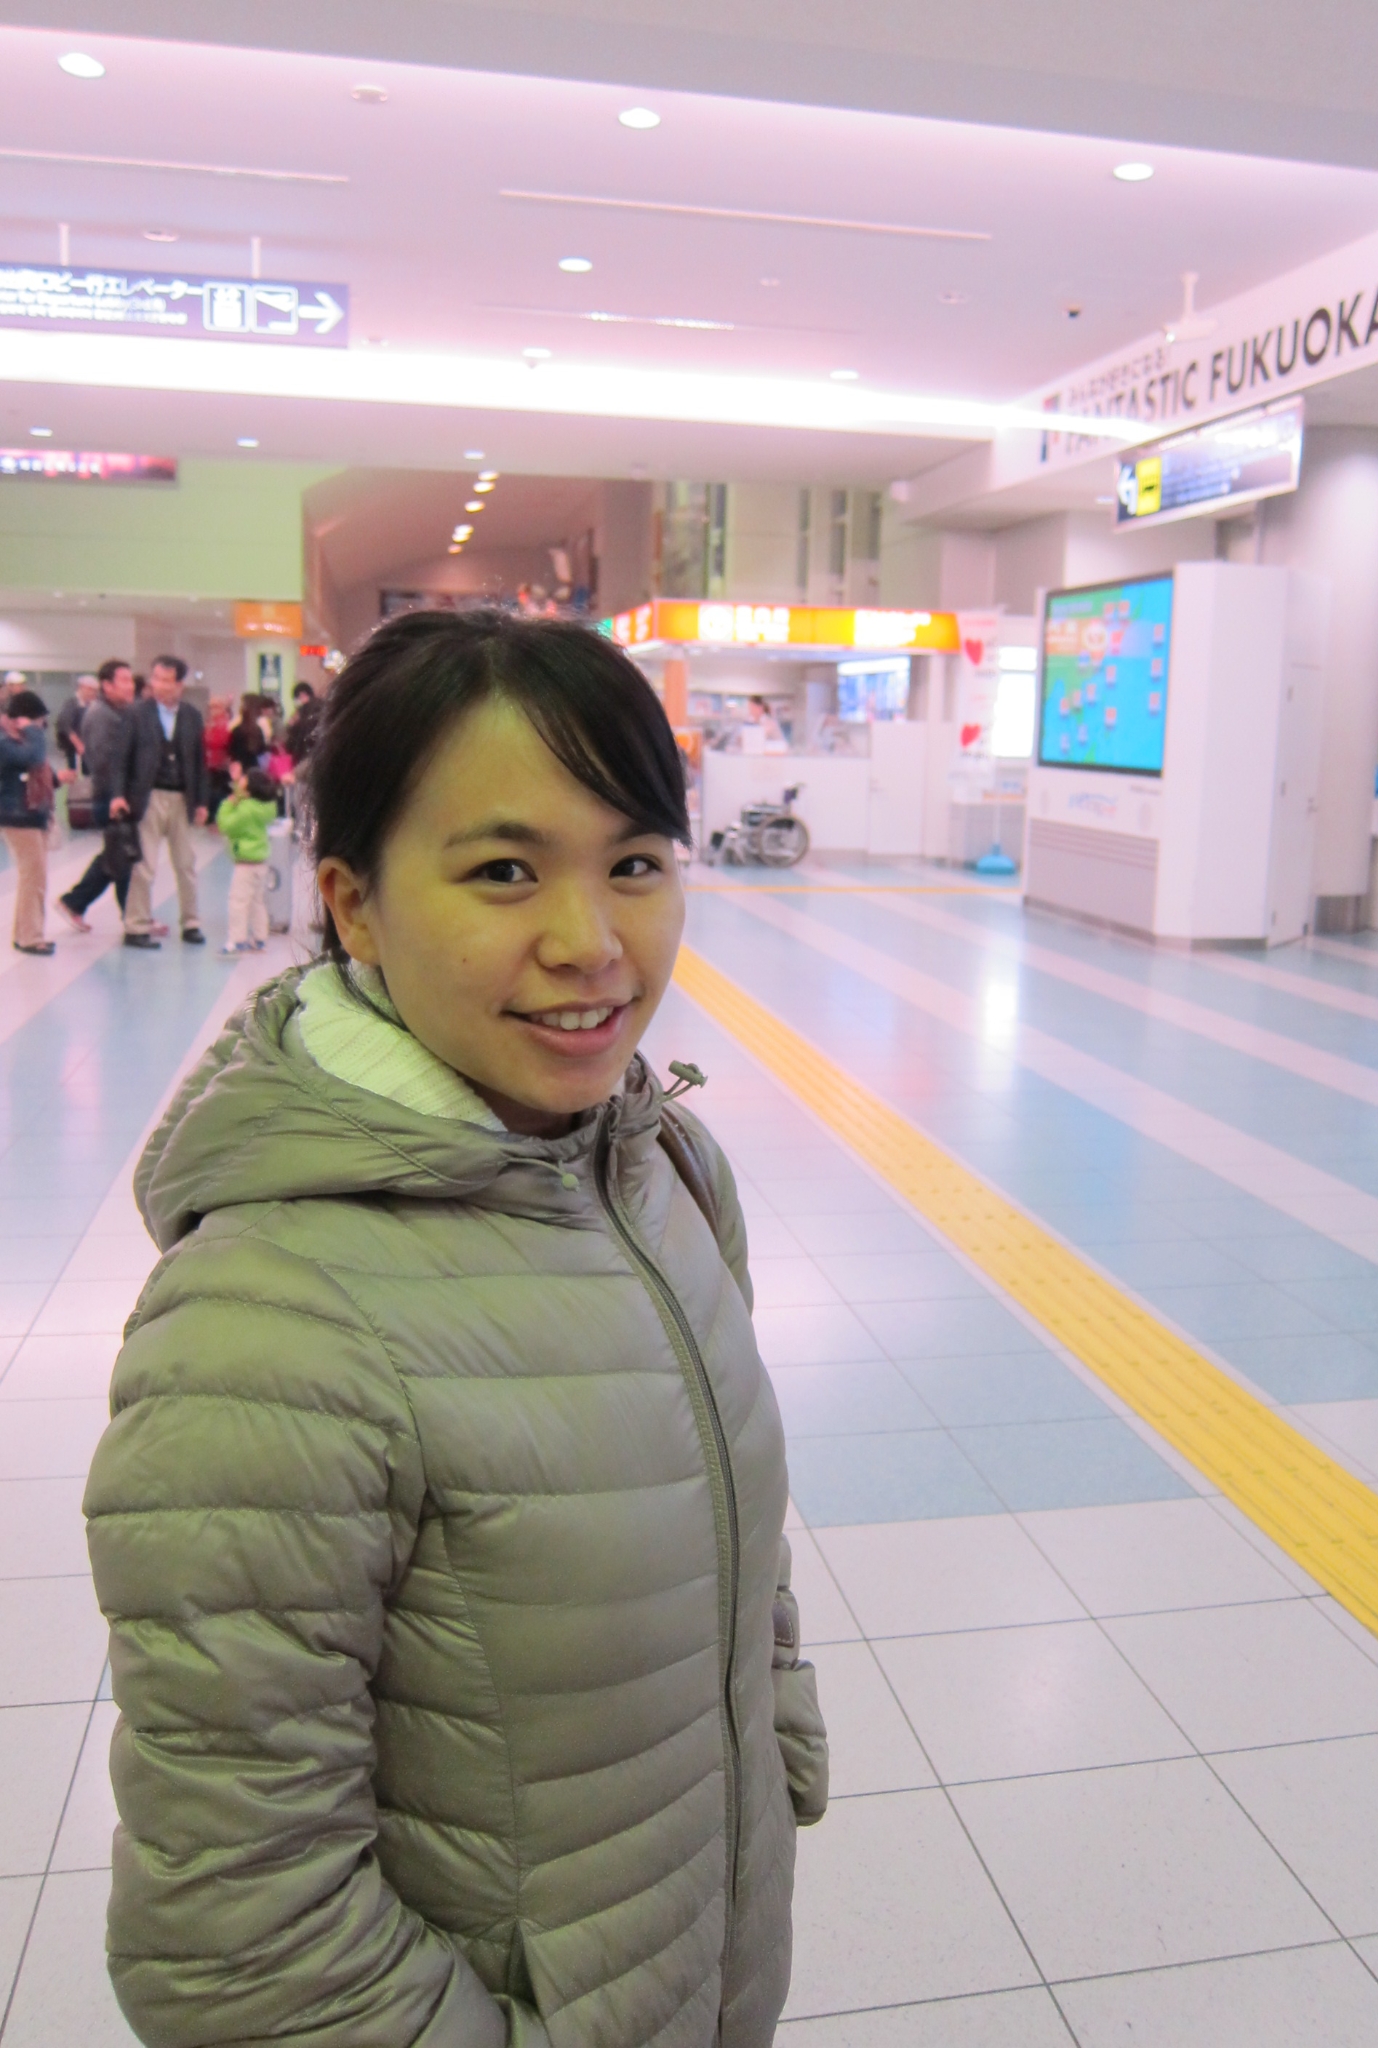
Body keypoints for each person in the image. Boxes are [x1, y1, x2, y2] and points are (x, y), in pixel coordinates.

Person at [84, 608, 827, 2048]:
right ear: (354, 904)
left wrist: (771, 1722)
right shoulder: (266, 1327)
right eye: (502, 871)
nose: (592, 945)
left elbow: (728, 1509)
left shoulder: (656, 1168)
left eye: (635, 863)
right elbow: (240, 1946)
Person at [109, 654, 208, 949]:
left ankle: (191, 923)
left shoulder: (191, 716)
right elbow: (120, 759)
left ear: (179, 684)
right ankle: (136, 926)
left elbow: (199, 763)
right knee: (144, 865)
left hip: (182, 797)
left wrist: (202, 802)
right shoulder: (136, 713)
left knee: (186, 864)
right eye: (156, 679)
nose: (160, 685)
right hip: (148, 796)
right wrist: (118, 795)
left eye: (167, 680)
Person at [55, 659, 137, 934]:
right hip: (110, 797)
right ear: (107, 685)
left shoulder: (118, 713)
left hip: (118, 795)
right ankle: (129, 917)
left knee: (119, 855)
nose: (130, 686)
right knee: (119, 856)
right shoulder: (102, 716)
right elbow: (104, 763)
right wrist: (118, 794)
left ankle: (78, 903)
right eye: (124, 680)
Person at [0, 686, 55, 954]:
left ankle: (24, 933)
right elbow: (33, 758)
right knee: (34, 877)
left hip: (32, 816)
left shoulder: (21, 742)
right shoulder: (6, 744)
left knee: (33, 878)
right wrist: (33, 731)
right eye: (38, 720)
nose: (42, 726)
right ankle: (30, 937)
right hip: (17, 818)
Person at [214, 761, 278, 955]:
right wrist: (236, 784)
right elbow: (243, 796)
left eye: (244, 779)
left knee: (238, 902)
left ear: (249, 788)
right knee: (257, 901)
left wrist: (228, 803)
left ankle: (237, 940)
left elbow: (226, 824)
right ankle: (260, 938)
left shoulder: (245, 810)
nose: (241, 780)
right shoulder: (264, 807)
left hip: (245, 864)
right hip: (261, 862)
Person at [55, 671, 98, 774]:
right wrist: (78, 744)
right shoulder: (72, 704)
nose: (93, 693)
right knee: (75, 774)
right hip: (74, 749)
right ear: (82, 688)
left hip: (90, 748)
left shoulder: (94, 706)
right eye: (90, 689)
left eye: (95, 690)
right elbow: (65, 725)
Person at [203, 695, 233, 818]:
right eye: (210, 707)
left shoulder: (226, 724)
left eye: (215, 707)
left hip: (220, 765)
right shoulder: (209, 723)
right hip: (208, 764)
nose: (212, 710)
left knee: (218, 793)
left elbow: (221, 742)